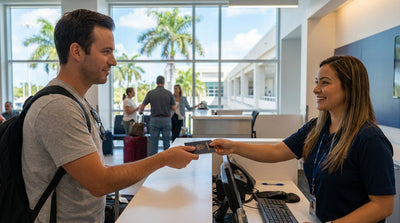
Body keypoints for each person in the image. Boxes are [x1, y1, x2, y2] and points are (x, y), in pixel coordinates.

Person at [21, 9, 198, 223]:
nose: (113, 61)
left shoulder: (76, 102)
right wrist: (164, 158)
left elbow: (95, 172)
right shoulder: (58, 107)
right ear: (76, 51)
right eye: (106, 51)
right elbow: (100, 182)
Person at [210, 55, 395, 223]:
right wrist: (232, 146)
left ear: (349, 88)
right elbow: (276, 151)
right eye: (317, 82)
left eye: (324, 83)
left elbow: (382, 206)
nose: (316, 89)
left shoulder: (370, 139)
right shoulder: (316, 128)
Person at [138, 75, 176, 155]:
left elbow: (143, 105)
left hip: (154, 119)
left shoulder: (150, 93)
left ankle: (154, 162)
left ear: (156, 82)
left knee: (154, 143)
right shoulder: (169, 93)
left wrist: (140, 112)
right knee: (166, 143)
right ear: (164, 82)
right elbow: (174, 107)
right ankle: (167, 161)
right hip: (166, 119)